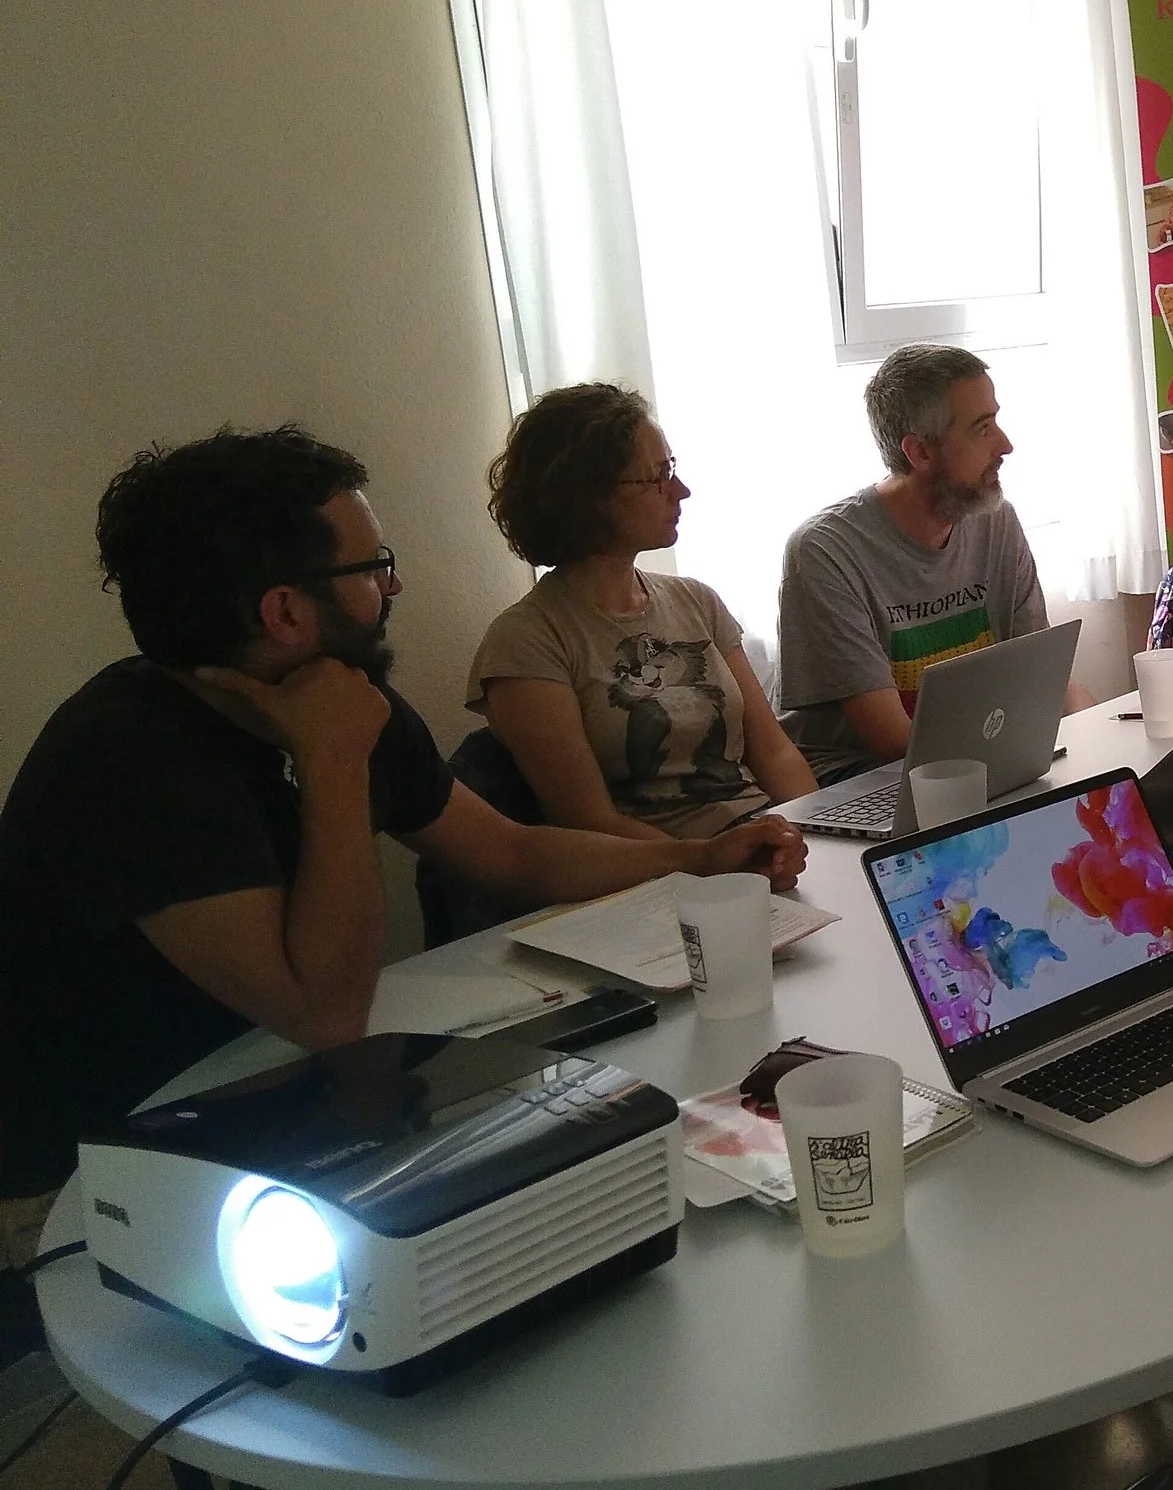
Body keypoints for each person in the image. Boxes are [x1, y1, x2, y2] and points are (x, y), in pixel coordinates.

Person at [0, 427, 805, 1236]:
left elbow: (510, 851)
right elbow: (323, 1012)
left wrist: (695, 858)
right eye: (373, 567)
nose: (393, 586)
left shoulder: (339, 699)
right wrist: (332, 759)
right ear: (285, 611)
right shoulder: (131, 760)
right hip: (88, 1184)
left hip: (272, 1101)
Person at [468, 384, 818, 837]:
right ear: (588, 495)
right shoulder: (526, 639)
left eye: (672, 469)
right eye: (657, 476)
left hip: (766, 840)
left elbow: (775, 754)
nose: (681, 491)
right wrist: (712, 860)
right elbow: (588, 822)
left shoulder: (697, 600)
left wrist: (820, 836)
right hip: (664, 867)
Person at [777, 344, 1090, 784]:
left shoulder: (996, 521)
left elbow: (1043, 680)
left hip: (978, 762)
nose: (1006, 445)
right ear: (920, 453)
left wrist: (1095, 738)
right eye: (982, 428)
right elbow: (892, 740)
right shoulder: (825, 551)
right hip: (865, 779)